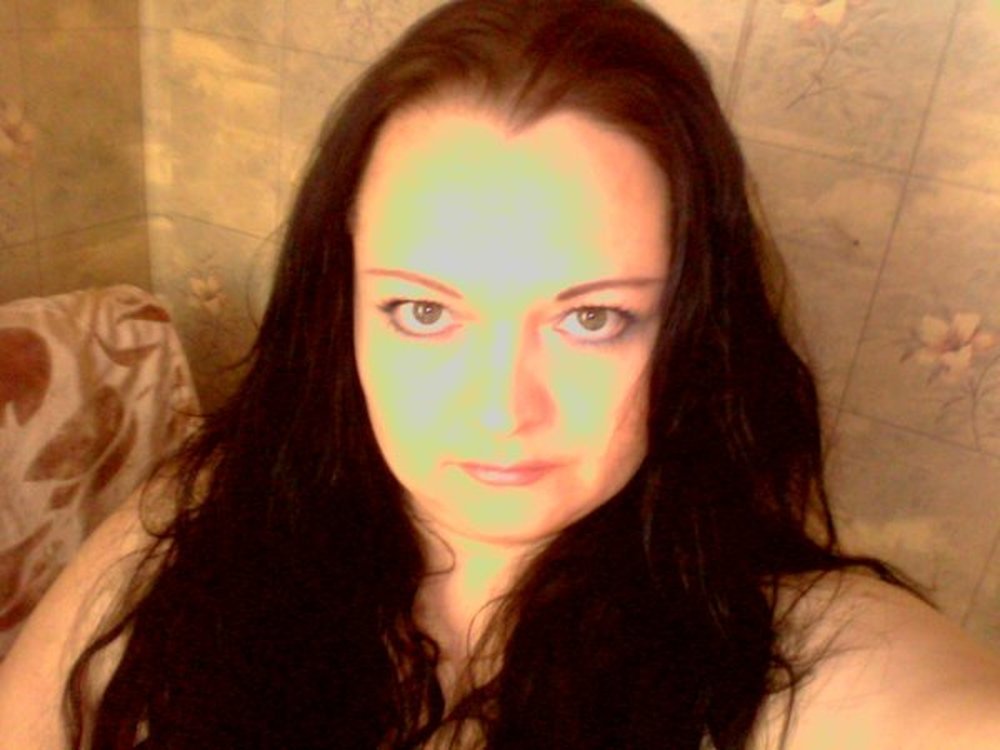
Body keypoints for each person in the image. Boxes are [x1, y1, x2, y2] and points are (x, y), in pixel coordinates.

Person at [2, 1, 999, 747]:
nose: (499, 410)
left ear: (694, 328)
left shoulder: (798, 649)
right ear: (339, 310)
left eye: (592, 318)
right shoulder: (204, 520)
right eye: (423, 311)